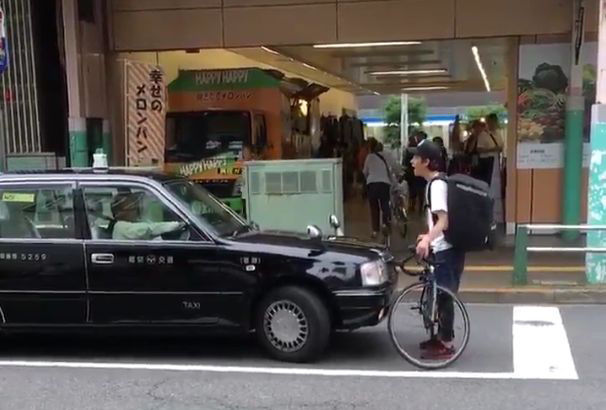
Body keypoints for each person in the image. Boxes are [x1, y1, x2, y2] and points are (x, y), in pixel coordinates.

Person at [410, 139, 466, 360]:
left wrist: (427, 241)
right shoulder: (433, 184)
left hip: (447, 250)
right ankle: (439, 338)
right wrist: (427, 235)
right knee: (439, 293)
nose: (412, 161)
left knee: (444, 295)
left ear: (427, 161)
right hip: (442, 246)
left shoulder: (437, 185)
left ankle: (446, 342)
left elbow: (444, 221)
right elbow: (436, 223)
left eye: (416, 158)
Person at [111, 192, 184, 241]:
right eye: (132, 209)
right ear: (119, 213)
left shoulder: (135, 223)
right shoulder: (120, 227)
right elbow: (148, 229)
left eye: (137, 208)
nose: (136, 211)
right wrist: (176, 225)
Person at [363, 138, 392, 239]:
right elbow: (392, 169)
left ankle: (375, 230)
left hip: (372, 184)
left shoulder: (369, 157)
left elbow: (365, 172)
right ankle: (385, 224)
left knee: (374, 208)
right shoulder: (387, 156)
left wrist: (368, 178)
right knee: (385, 204)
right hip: (385, 183)